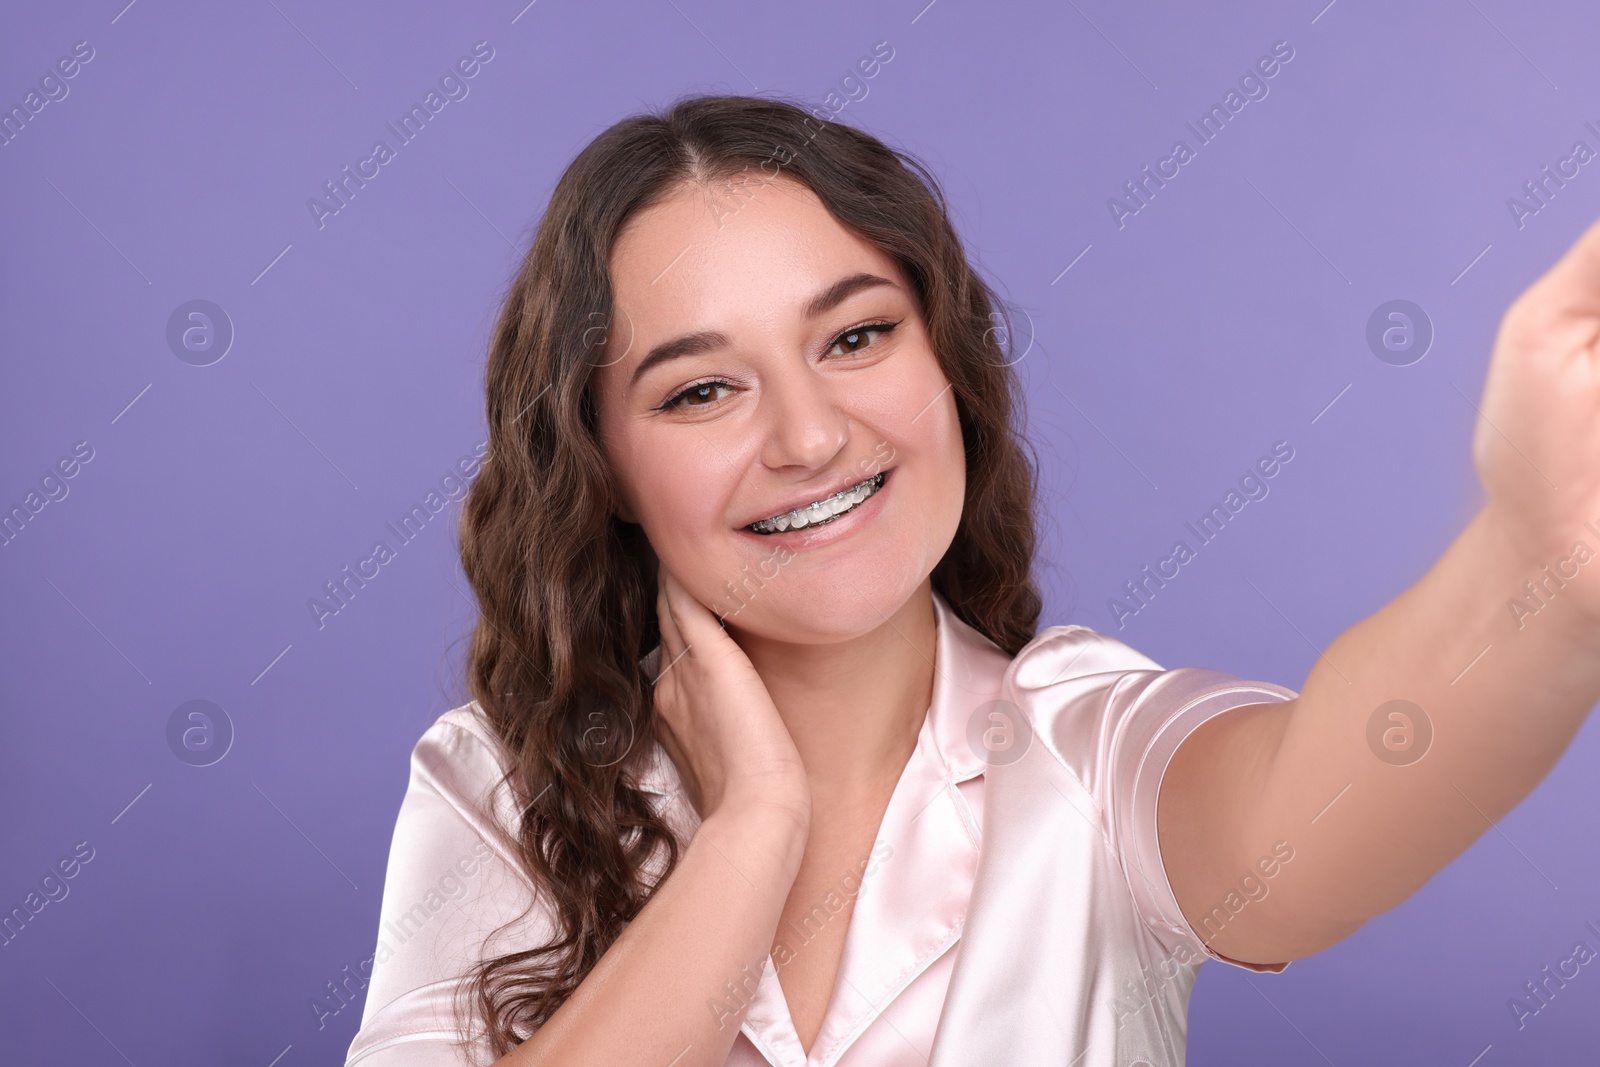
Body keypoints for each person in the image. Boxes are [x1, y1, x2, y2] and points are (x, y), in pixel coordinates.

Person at [343, 93, 1600, 1066]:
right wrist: (751, 833)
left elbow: (1306, 803)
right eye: (700, 388)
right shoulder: (497, 788)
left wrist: (1539, 565)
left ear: (945, 363)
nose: (808, 435)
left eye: (855, 335)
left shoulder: (1079, 744)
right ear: (604, 465)